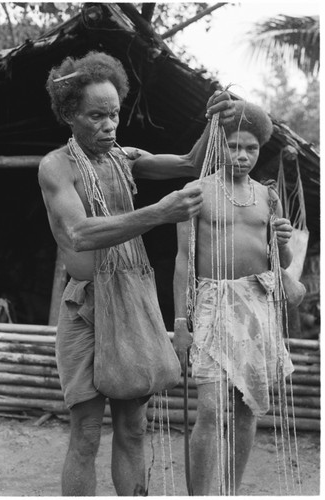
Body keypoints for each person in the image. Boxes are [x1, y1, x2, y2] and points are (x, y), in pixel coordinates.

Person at [38, 50, 235, 496]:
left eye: (114, 114)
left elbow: (188, 164)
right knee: (87, 433)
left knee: (134, 429)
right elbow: (79, 234)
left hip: (134, 300)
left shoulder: (124, 158)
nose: (109, 125)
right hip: (87, 309)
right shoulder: (56, 167)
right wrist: (159, 212)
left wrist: (214, 122)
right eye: (96, 116)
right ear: (69, 113)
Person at [173, 100, 294, 495]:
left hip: (258, 306)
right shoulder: (195, 192)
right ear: (218, 145)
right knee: (209, 410)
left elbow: (280, 263)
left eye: (251, 148)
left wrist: (285, 243)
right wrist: (180, 324)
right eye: (233, 145)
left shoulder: (267, 198)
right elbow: (181, 261)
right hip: (212, 304)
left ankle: (231, 492)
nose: (242, 155)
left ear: (261, 148)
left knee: (247, 409)